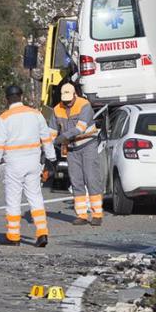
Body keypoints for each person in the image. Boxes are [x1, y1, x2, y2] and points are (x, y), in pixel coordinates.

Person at [0, 84, 56, 247]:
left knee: (13, 199)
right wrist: (51, 158)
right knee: (35, 197)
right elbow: (46, 137)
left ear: (7, 99)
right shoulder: (35, 114)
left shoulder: (4, 118)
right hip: (33, 161)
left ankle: (13, 237)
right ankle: (42, 233)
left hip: (14, 162)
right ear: (21, 96)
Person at [52, 81, 104, 226]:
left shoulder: (84, 105)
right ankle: (81, 214)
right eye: (65, 100)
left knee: (91, 178)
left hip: (87, 144)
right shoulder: (57, 109)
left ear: (75, 95)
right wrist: (49, 144)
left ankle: (97, 214)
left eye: (69, 100)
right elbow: (52, 131)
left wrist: (62, 137)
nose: (67, 103)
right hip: (72, 149)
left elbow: (80, 128)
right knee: (76, 181)